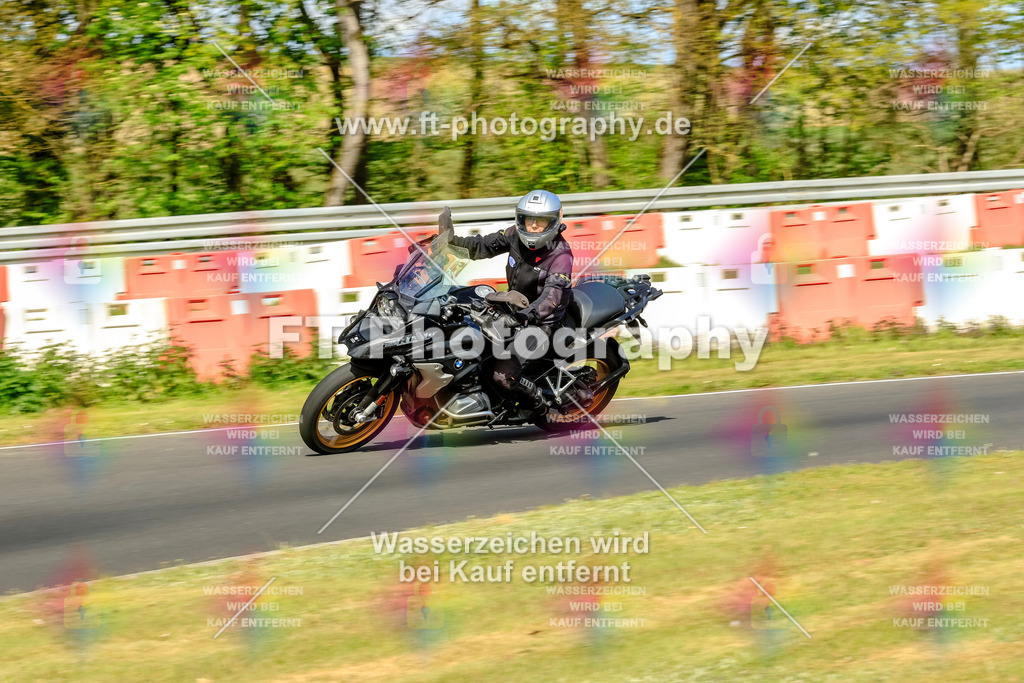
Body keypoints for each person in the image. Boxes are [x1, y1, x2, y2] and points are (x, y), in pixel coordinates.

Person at [438, 190, 574, 409]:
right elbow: (482, 245)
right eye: (529, 220)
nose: (534, 227)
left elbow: (552, 297)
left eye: (540, 221)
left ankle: (539, 403)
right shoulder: (513, 235)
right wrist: (450, 242)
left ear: (554, 221)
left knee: (503, 375)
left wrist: (524, 316)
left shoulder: (561, 255)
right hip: (513, 308)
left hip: (542, 323)